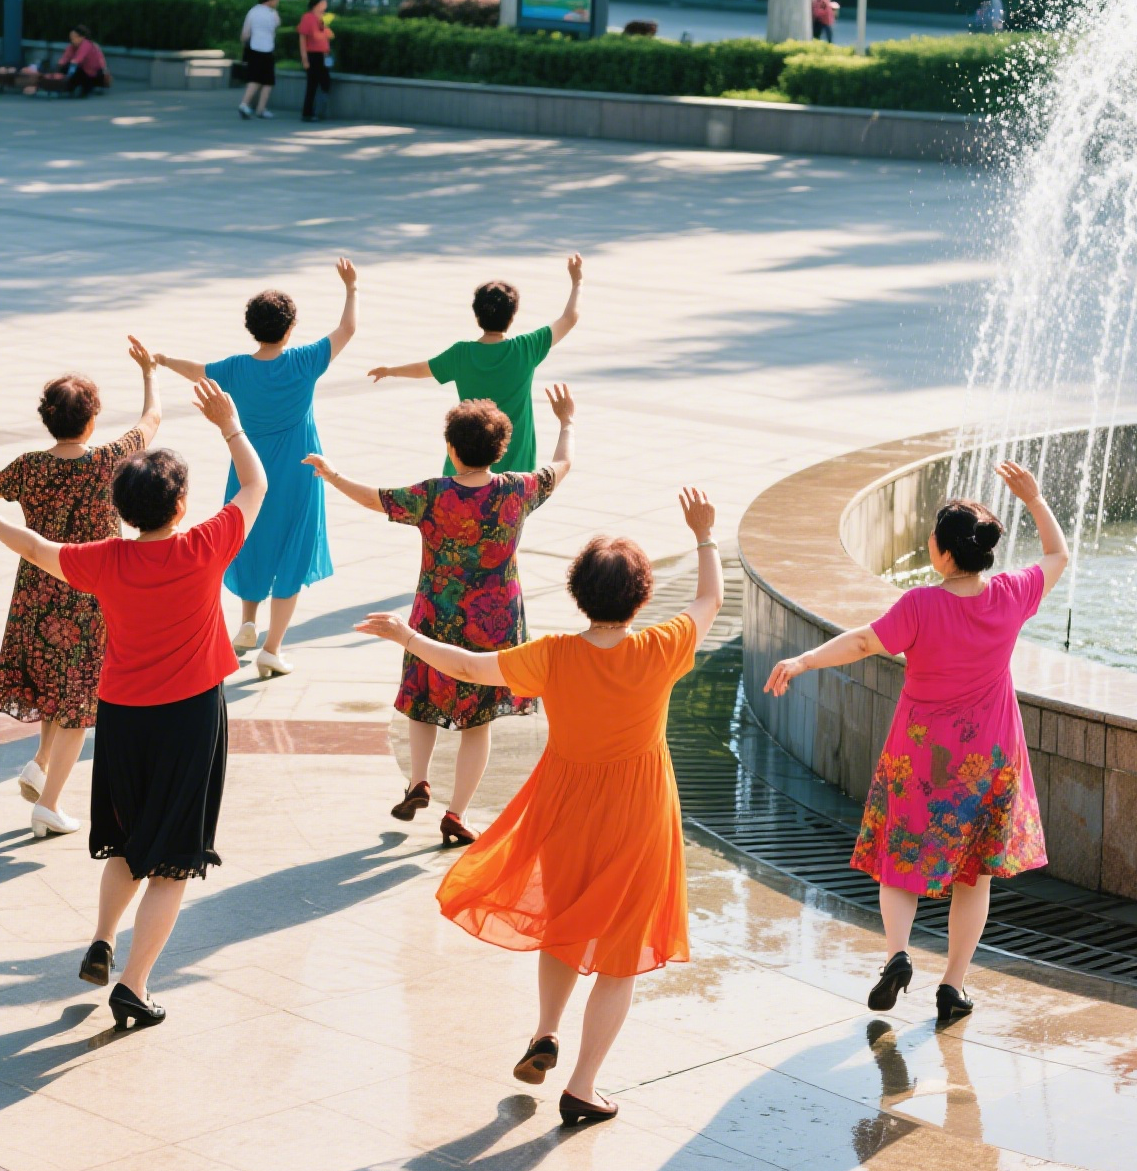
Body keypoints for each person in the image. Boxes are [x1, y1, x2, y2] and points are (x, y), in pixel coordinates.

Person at [354, 486, 722, 1125]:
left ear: (579, 594)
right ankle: (582, 1085)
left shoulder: (553, 656)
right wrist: (705, 536)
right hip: (638, 813)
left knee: (564, 920)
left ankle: (546, 1030)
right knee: (620, 955)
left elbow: (470, 667)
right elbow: (709, 600)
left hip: (566, 805)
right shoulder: (660, 648)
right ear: (639, 598)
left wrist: (407, 636)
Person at [0, 379, 266, 1031]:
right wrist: (230, 425)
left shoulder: (105, 561)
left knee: (126, 840)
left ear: (121, 508)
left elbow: (36, 549)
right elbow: (256, 486)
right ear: (180, 505)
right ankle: (134, 985)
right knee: (173, 862)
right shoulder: (204, 546)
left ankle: (101, 938)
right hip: (190, 717)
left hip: (122, 716)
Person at [764, 461, 1067, 1023]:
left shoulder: (921, 606)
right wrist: (1034, 499)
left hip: (921, 756)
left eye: (933, 535)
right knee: (974, 876)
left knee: (900, 860)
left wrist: (804, 660)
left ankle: (898, 955)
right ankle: (952, 985)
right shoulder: (1010, 595)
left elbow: (862, 643)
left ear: (945, 553)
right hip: (990, 759)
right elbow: (1058, 555)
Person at [308, 386, 575, 843]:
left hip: (436, 616)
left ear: (452, 449)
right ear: (500, 449)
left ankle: (418, 781)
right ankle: (456, 814)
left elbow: (375, 498)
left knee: (422, 699)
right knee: (478, 723)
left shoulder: (433, 495)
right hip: (495, 623)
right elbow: (562, 465)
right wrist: (566, 421)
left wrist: (332, 475)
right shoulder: (518, 489)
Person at [0, 343, 161, 838]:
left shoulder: (28, 466)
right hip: (91, 592)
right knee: (79, 703)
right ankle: (49, 805)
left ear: (48, 419)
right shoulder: (110, 458)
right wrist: (149, 373)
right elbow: (152, 419)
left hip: (38, 590)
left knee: (53, 686)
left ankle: (40, 764)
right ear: (92, 419)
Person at [153, 259, 358, 677]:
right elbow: (347, 329)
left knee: (250, 540)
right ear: (290, 327)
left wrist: (163, 359)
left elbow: (197, 372)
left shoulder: (236, 368)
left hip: (249, 471)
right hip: (300, 473)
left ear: (251, 327)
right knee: (293, 551)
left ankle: (248, 622)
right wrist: (351, 288)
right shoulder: (305, 361)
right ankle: (272, 648)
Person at [368, 255, 583, 475]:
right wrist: (577, 282)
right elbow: (569, 319)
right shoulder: (525, 349)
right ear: (512, 315)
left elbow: (423, 369)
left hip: (465, 467)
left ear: (477, 315)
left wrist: (390, 371)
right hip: (514, 471)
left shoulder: (461, 354)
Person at [238, 0, 281, 120]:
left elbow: (245, 34)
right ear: (271, 0)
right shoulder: (273, 13)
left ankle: (245, 104)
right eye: (276, 0)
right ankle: (260, 109)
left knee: (254, 79)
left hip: (254, 49)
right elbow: (277, 24)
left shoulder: (253, 11)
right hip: (268, 50)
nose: (277, 2)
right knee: (268, 81)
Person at [297, 0, 333, 122]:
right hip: (313, 55)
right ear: (316, 4)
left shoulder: (322, 18)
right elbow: (302, 38)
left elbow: (327, 35)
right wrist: (304, 59)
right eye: (323, 2)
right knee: (312, 84)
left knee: (325, 82)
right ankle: (308, 113)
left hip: (324, 55)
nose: (325, 5)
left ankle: (319, 110)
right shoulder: (308, 17)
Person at [58, 25, 109, 97]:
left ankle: (86, 88)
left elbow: (77, 60)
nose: (72, 40)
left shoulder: (87, 44)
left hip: (94, 73)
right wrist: (60, 66)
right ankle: (70, 87)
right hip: (84, 70)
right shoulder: (72, 46)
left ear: (82, 37)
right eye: (71, 38)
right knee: (65, 67)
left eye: (74, 37)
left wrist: (69, 72)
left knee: (73, 69)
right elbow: (65, 58)